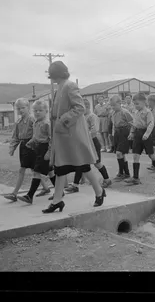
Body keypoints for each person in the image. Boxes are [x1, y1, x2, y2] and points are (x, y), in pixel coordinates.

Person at [42, 61, 106, 213]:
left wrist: (63, 119)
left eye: (52, 75)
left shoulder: (69, 86)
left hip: (72, 134)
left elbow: (80, 107)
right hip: (63, 135)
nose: (51, 78)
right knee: (60, 168)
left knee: (82, 165)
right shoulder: (60, 87)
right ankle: (57, 201)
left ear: (57, 74)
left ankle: (99, 191)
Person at [65, 99, 112, 193]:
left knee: (97, 163)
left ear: (86, 107)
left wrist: (84, 136)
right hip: (83, 142)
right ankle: (75, 185)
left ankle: (107, 179)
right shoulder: (81, 117)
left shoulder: (92, 117)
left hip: (92, 142)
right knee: (81, 163)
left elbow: (95, 130)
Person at [17, 100, 56, 204]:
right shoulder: (36, 123)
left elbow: (53, 138)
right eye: (35, 111)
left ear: (46, 111)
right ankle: (59, 192)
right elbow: (36, 136)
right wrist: (31, 142)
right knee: (50, 171)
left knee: (37, 172)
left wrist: (49, 152)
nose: (37, 112)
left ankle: (29, 196)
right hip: (37, 149)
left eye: (40, 110)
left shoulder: (47, 124)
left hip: (45, 149)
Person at [126, 93, 155, 184]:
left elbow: (151, 124)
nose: (136, 106)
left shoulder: (148, 112)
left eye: (137, 104)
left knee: (151, 155)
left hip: (146, 134)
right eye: (134, 104)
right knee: (135, 155)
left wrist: (147, 134)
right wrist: (131, 133)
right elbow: (134, 124)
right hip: (137, 135)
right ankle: (135, 178)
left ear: (144, 102)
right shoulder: (135, 112)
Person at [4, 98, 37, 202]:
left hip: (32, 145)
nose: (21, 110)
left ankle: (14, 193)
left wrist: (34, 143)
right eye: (18, 108)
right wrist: (12, 148)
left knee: (30, 169)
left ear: (28, 108)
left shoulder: (32, 119)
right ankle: (45, 188)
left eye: (23, 107)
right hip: (23, 146)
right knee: (31, 169)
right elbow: (15, 137)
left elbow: (38, 132)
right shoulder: (18, 122)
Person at [110, 95, 133, 181]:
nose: (113, 107)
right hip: (117, 133)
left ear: (120, 103)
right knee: (121, 154)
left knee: (119, 153)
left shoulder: (125, 112)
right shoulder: (113, 113)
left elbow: (132, 122)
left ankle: (121, 172)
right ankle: (126, 173)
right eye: (111, 105)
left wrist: (131, 133)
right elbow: (113, 124)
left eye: (114, 105)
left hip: (124, 132)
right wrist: (113, 135)